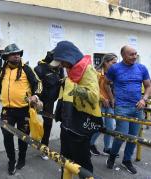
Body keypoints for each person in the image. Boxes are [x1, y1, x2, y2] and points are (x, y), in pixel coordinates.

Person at [0, 43, 42, 175]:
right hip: (7, 110)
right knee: (7, 136)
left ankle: (22, 158)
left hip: (24, 110)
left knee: (23, 136)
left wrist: (35, 95)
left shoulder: (26, 69)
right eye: (13, 54)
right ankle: (11, 161)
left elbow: (38, 84)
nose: (17, 55)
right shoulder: (3, 70)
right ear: (7, 56)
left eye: (18, 53)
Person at [53, 41, 103, 174]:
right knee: (65, 157)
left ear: (69, 57)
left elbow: (93, 96)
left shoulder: (88, 70)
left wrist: (72, 87)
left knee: (82, 162)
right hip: (69, 121)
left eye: (63, 61)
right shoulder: (72, 69)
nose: (62, 65)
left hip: (83, 122)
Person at [106, 45, 151, 174]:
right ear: (123, 55)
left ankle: (127, 160)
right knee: (121, 135)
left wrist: (144, 99)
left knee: (133, 137)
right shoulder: (115, 68)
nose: (134, 56)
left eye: (135, 54)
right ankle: (112, 156)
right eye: (131, 54)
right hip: (122, 107)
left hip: (137, 108)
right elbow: (106, 83)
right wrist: (111, 98)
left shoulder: (141, 68)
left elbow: (148, 86)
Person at [34, 50, 64, 160]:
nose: (60, 65)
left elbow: (61, 81)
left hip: (53, 100)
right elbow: (35, 85)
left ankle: (44, 146)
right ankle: (42, 147)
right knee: (41, 122)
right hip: (41, 100)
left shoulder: (59, 68)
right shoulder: (39, 69)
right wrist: (37, 99)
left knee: (48, 124)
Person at [90, 53, 117, 156]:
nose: (115, 65)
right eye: (113, 62)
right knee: (99, 126)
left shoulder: (113, 74)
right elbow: (93, 89)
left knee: (110, 127)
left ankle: (107, 148)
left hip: (109, 103)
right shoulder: (96, 73)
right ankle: (90, 144)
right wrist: (102, 98)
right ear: (106, 62)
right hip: (98, 103)